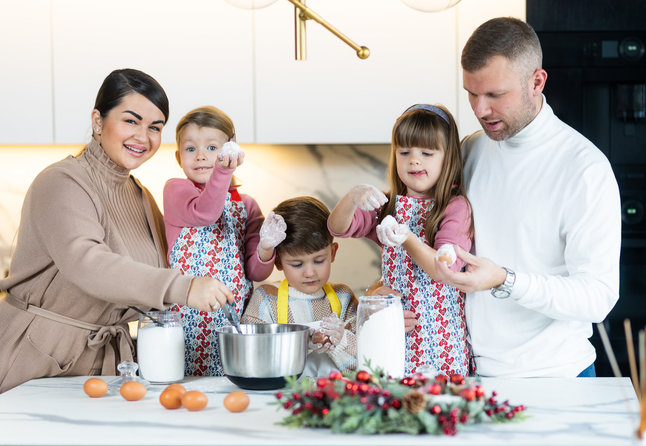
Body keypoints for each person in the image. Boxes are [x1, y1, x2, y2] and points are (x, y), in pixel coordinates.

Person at [0, 69, 233, 405]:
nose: (144, 136)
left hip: (107, 368)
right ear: (98, 121)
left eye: (155, 127)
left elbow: (161, 267)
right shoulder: (62, 182)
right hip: (34, 359)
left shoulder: (140, 195)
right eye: (131, 120)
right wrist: (182, 287)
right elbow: (88, 263)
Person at [433, 17, 621, 377]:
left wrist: (506, 279)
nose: (479, 110)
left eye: (495, 95)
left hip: (559, 378)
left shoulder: (584, 168)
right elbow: (438, 238)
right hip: (471, 374)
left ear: (536, 82)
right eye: (471, 93)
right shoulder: (471, 149)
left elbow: (598, 298)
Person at [328, 104, 473, 376]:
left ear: (448, 157)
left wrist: (406, 237)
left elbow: (444, 268)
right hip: (393, 336)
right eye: (404, 152)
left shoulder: (455, 207)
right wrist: (352, 198)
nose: (413, 161)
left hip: (440, 344)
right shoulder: (387, 207)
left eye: (426, 153)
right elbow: (338, 228)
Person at [163, 106, 278, 376]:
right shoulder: (177, 191)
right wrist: (224, 172)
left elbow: (255, 271)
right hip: (186, 324)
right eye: (191, 149)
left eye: (212, 148)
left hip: (232, 324)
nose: (201, 156)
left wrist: (266, 246)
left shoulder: (247, 205)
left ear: (231, 148)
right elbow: (205, 212)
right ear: (179, 156)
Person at [242, 196, 358, 376]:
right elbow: (252, 355)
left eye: (319, 261)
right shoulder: (266, 299)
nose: (310, 272)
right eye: (297, 265)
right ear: (278, 262)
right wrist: (300, 344)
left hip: (336, 397)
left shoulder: (344, 297)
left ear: (333, 253)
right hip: (283, 397)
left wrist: (340, 339)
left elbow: (365, 360)